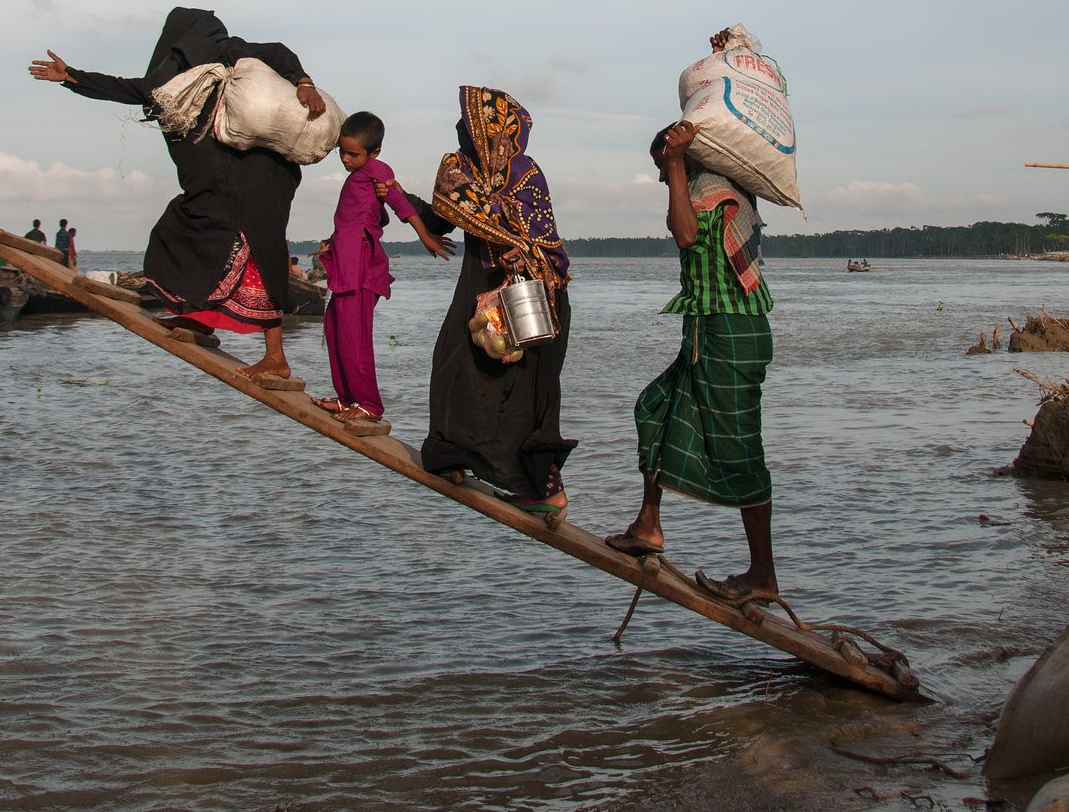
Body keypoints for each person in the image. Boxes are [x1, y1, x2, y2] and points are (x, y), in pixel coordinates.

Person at [29, 8, 324, 384]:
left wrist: (303, 82)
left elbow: (277, 51)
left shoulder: (227, 55)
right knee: (185, 237)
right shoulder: (169, 83)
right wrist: (71, 76)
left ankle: (276, 358)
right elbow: (127, 89)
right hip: (214, 186)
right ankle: (198, 321)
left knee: (260, 261)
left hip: (254, 180)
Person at [606, 121, 782, 605]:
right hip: (713, 331)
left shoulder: (710, 189)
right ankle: (649, 525)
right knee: (654, 408)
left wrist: (677, 162)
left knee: (740, 453)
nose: (662, 178)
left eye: (661, 168)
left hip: (728, 335)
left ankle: (763, 575)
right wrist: (678, 162)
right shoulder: (722, 185)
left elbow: (685, 235)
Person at [416, 87, 575, 523]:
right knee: (456, 369)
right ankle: (451, 459)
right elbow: (441, 216)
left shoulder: (525, 172)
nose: (461, 135)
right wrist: (397, 199)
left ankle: (544, 490)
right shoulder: (460, 171)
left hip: (531, 293)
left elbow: (538, 233)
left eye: (469, 129)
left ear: (492, 134)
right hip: (482, 286)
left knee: (525, 393)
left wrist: (512, 244)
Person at [314, 111, 451, 430]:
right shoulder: (360, 174)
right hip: (346, 260)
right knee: (335, 328)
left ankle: (369, 405)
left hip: (360, 264)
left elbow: (400, 204)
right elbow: (370, 214)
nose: (346, 159)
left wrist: (425, 237)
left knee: (354, 335)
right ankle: (347, 398)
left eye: (353, 154)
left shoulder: (377, 169)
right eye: (342, 152)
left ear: (374, 152)